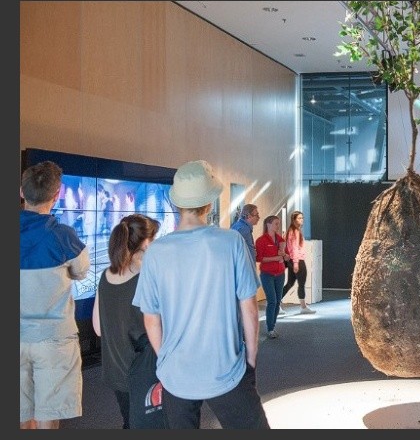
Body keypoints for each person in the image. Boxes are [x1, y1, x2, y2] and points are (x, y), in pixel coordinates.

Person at [132, 160, 269, 429]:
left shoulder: (156, 252)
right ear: (209, 203)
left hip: (176, 374)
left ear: (176, 203)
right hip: (227, 369)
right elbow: (250, 309)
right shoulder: (232, 242)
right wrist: (251, 358)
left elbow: (151, 318)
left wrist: (165, 360)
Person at [20, 160, 91, 429]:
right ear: (57, 195)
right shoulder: (64, 236)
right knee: (49, 414)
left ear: (21, 192)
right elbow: (81, 272)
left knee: (20, 412)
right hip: (55, 340)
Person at [92, 214, 164, 429]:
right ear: (146, 243)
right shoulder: (147, 277)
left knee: (130, 421)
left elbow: (98, 328)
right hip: (144, 369)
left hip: (116, 369)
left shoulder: (105, 275)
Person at [256, 215, 288, 339]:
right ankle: (270, 328)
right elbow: (259, 258)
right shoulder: (261, 240)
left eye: (278, 223)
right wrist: (275, 258)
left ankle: (273, 326)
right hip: (267, 274)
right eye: (276, 223)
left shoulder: (281, 240)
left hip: (280, 274)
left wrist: (285, 255)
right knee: (272, 301)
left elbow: (287, 256)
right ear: (268, 224)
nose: (278, 226)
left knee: (278, 301)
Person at [281, 210, 316, 314]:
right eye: (299, 218)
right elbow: (294, 248)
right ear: (294, 220)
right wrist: (296, 263)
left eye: (302, 218)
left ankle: (276, 303)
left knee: (290, 283)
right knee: (301, 283)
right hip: (297, 260)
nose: (302, 220)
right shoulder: (294, 232)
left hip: (293, 260)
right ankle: (303, 307)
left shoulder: (291, 231)